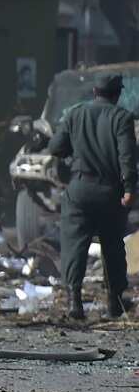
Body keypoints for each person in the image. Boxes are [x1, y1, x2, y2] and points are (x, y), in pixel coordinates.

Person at [48, 72, 135, 320]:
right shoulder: (122, 117)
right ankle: (115, 304)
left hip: (79, 189)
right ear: (118, 94)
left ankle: (75, 301)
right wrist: (130, 189)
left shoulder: (75, 114)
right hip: (110, 193)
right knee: (113, 247)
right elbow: (127, 156)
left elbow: (55, 147)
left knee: (74, 245)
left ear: (94, 92)